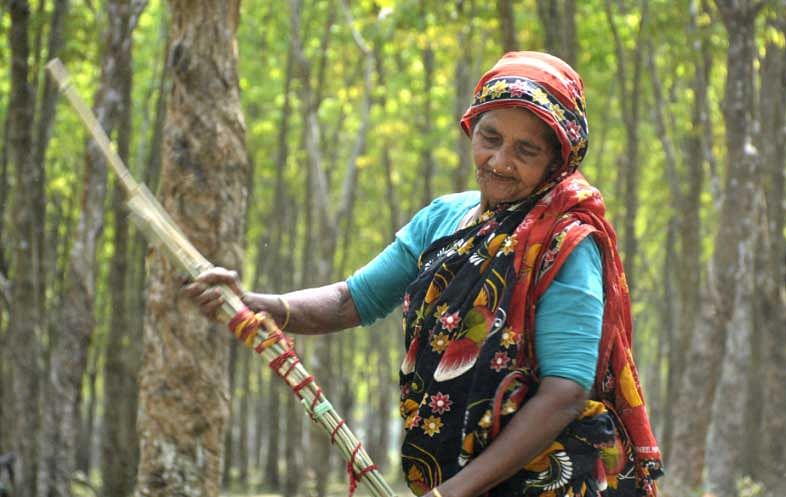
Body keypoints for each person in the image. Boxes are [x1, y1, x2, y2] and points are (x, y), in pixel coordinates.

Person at [184, 51, 662, 497]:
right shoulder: (443, 219)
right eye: (489, 138)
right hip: (453, 476)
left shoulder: (565, 242)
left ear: (558, 162)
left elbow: (565, 393)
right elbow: (353, 301)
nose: (499, 162)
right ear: (471, 130)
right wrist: (258, 303)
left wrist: (455, 491)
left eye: (525, 150)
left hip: (553, 478)